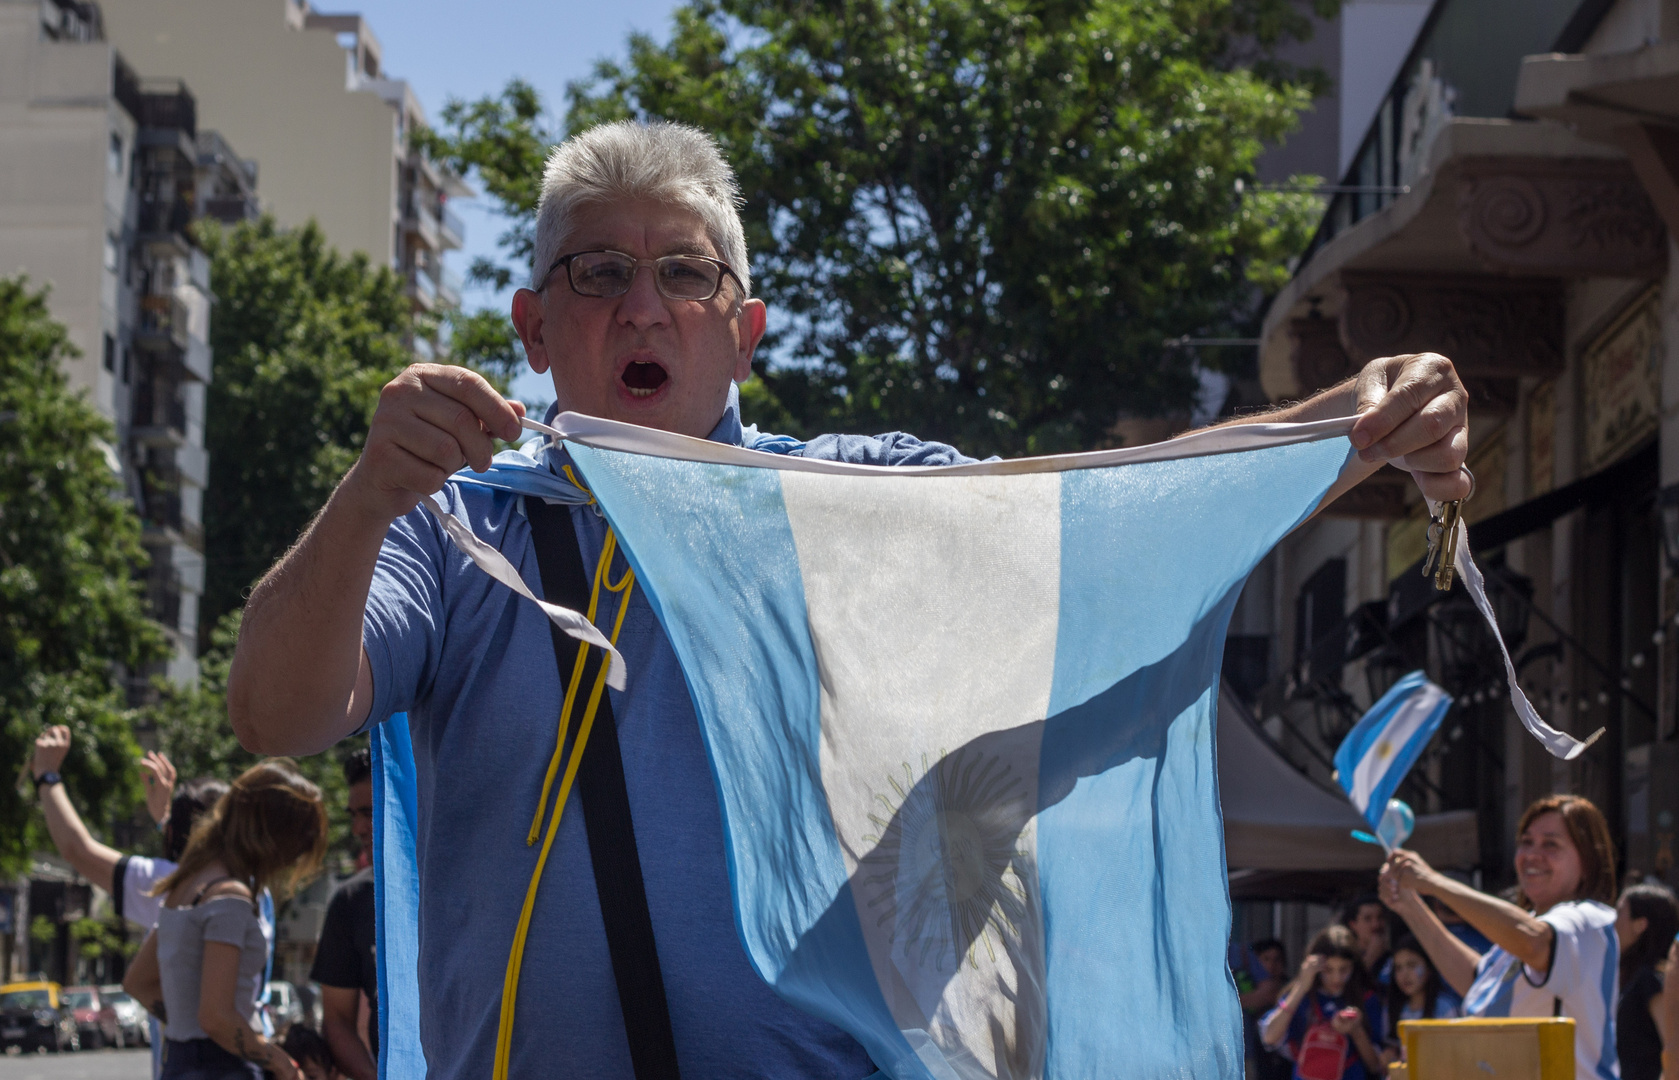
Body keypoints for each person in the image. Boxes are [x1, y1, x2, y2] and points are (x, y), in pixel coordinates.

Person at [224, 119, 1474, 1077]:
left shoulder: (854, 503)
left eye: (684, 271)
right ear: (533, 326)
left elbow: (1097, 519)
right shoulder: (457, 523)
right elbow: (275, 712)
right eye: (596, 271)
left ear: (745, 327)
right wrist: (366, 492)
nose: (642, 304)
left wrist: (1344, 424)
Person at [31, 726, 228, 1078]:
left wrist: (47, 774)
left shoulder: (179, 887)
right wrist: (166, 820)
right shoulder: (255, 885)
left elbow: (78, 850)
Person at [1380, 794, 1621, 1080]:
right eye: (1526, 842)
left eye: (1551, 844)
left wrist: (1434, 882)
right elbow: (1476, 980)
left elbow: (1535, 943)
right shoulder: (1531, 924)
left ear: (1588, 859)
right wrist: (1410, 907)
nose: (1532, 855)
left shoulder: (1589, 919)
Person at [122, 759, 327, 1080]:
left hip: (180, 1063)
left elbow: (138, 982)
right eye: (297, 847)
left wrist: (182, 1022)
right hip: (223, 1067)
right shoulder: (230, 896)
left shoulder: (189, 884)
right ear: (274, 837)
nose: (293, 860)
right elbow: (216, 1018)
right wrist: (282, 1063)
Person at [309, 749, 377, 1080]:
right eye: (353, 814)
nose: (358, 828)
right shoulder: (352, 900)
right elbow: (336, 1019)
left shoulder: (462, 886)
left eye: (369, 812)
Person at [1258, 925, 1384, 1080]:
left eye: (1343, 969)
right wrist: (1301, 987)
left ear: (1354, 967)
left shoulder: (1366, 999)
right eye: (1328, 970)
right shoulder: (1303, 996)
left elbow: (1374, 1065)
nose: (1336, 978)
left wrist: (1356, 1030)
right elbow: (1269, 1036)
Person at [1615, 882, 1677, 1080]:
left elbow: (1672, 1046)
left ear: (1640, 924)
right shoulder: (1632, 975)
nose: (1612, 922)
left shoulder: (1650, 980)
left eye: (1619, 914)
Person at [1378, 935, 1459, 1064]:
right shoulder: (1391, 1008)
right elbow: (1391, 1047)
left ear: (1429, 967)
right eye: (1398, 968)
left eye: (1412, 965)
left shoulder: (1446, 1008)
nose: (1404, 974)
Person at [1250, 940, 1294, 1080]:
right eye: (1265, 959)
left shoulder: (1294, 993)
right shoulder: (1246, 987)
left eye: (1277, 960)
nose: (1271, 965)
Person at [1341, 895, 1391, 985]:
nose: (1376, 925)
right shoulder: (1345, 955)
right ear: (1353, 925)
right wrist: (1371, 956)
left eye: (1380, 917)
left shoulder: (1396, 957)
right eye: (1367, 919)